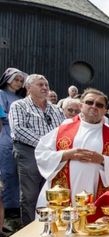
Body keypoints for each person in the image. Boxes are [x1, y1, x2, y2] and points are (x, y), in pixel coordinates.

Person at [24, 88, 109, 237]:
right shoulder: (63, 129)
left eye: (99, 105)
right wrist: (67, 154)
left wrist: (102, 159)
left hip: (93, 195)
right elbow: (41, 153)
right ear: (81, 105)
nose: (94, 107)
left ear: (105, 110)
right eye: (89, 102)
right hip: (60, 196)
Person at [9, 74, 64, 226]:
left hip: (53, 154)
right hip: (29, 152)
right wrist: (45, 145)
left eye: (46, 84)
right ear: (28, 87)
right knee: (30, 195)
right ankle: (29, 230)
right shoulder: (18, 105)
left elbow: (63, 131)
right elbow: (19, 130)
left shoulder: (56, 109)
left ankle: (50, 226)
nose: (45, 88)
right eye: (40, 85)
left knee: (51, 192)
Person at [0, 68, 27, 231]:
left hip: (19, 138)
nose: (19, 83)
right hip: (6, 136)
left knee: (19, 174)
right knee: (8, 173)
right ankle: (9, 210)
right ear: (8, 79)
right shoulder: (1, 94)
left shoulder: (19, 98)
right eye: (16, 79)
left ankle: (18, 207)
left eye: (20, 80)